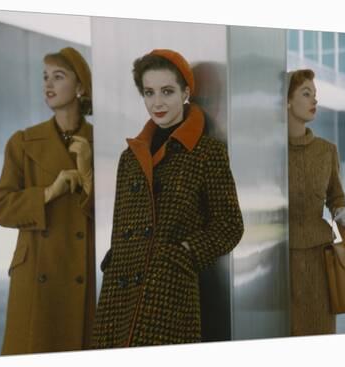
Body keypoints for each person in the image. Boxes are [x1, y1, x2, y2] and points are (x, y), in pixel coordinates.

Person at [92, 49, 244, 347]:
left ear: (186, 92)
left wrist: (184, 253)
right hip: (120, 289)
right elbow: (121, 224)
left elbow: (230, 225)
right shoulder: (130, 157)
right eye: (149, 93)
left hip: (170, 289)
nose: (157, 103)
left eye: (167, 91)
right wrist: (115, 260)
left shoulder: (206, 152)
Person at [0, 47, 95, 354]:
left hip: (83, 269)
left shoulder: (100, 143)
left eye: (58, 77)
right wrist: (49, 193)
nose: (48, 84)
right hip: (36, 269)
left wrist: (87, 174)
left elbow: (119, 215)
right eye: (45, 77)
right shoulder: (23, 142)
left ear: (80, 88)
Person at [287, 69, 345, 335]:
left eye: (315, 95)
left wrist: (342, 210)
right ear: (287, 101)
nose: (314, 101)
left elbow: (336, 197)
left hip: (320, 261)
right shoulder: (270, 152)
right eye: (306, 94)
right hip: (279, 263)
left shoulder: (327, 150)